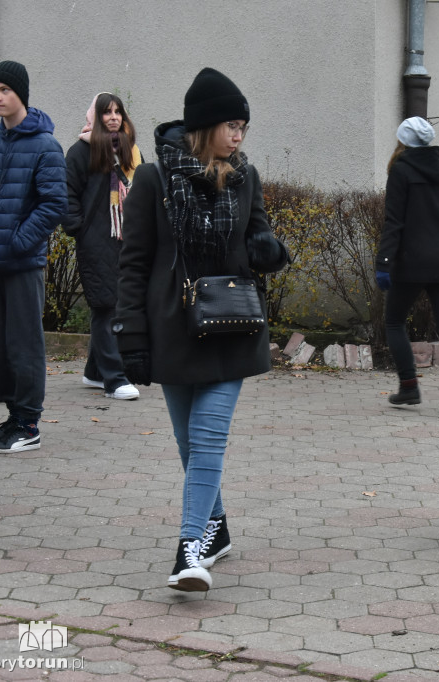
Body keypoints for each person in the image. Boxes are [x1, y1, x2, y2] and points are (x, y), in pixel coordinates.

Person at [115, 68, 287, 591]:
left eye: (244, 127)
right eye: (231, 125)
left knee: (208, 440)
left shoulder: (245, 176)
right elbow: (134, 263)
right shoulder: (153, 179)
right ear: (205, 125)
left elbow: (262, 237)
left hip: (231, 327)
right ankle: (216, 529)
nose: (238, 136)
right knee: (190, 445)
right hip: (173, 329)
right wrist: (132, 338)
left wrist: (270, 250)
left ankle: (189, 550)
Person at [0, 60, 68, 454]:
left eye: (4, 90)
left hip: (21, 263)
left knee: (23, 345)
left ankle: (28, 422)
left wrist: (19, 240)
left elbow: (55, 203)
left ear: (20, 94)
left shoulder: (45, 145)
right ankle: (13, 415)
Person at [375, 116, 439, 415]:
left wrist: (384, 262)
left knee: (394, 321)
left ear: (402, 141)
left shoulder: (401, 171)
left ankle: (409, 387)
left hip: (412, 262)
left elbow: (394, 222)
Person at [65, 93, 142, 401]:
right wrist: (79, 229)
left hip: (127, 239)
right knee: (104, 305)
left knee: (118, 304)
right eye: (106, 112)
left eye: (117, 112)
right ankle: (114, 379)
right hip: (95, 239)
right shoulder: (81, 151)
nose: (113, 117)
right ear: (94, 117)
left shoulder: (130, 150)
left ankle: (95, 372)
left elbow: (142, 189)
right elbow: (67, 193)